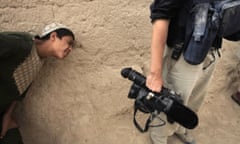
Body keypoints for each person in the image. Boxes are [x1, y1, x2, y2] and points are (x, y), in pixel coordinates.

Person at [145, 0, 224, 144]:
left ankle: (180, 128)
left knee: (194, 99)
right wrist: (155, 74)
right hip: (183, 54)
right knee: (170, 105)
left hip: (210, 51)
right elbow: (160, 15)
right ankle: (159, 137)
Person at [0, 23, 75, 144]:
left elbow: (19, 93)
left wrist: (7, 116)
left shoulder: (40, 62)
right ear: (53, 36)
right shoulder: (22, 44)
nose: (70, 49)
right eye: (69, 42)